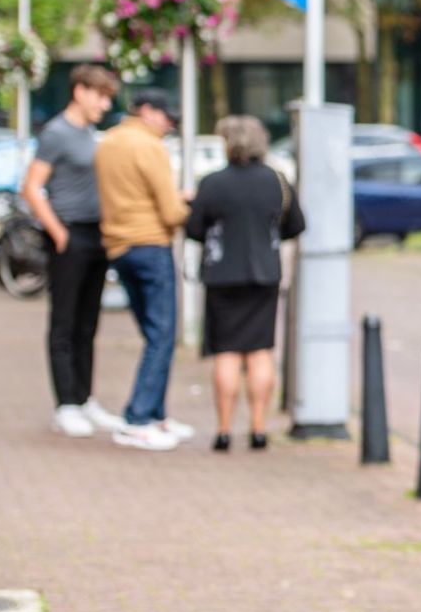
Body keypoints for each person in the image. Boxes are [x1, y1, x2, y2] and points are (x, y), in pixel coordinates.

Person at [184, 115, 304, 452]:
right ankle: (259, 429)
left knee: (227, 353)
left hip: (222, 276)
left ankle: (223, 431)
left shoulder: (212, 183)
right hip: (264, 274)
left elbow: (193, 230)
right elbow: (296, 224)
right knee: (260, 352)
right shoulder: (276, 181)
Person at [20, 64, 123, 438]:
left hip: (97, 236)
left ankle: (84, 398)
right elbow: (31, 187)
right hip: (71, 235)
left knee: (88, 322)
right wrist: (59, 233)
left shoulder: (90, 133)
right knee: (64, 321)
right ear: (80, 91)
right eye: (101, 95)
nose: (105, 103)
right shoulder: (57, 133)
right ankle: (65, 404)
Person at [94, 88, 194, 452]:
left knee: (154, 333)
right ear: (148, 111)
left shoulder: (108, 141)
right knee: (163, 335)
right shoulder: (150, 147)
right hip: (151, 244)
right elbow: (169, 211)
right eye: (167, 117)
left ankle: (155, 413)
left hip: (118, 246)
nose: (169, 125)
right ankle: (138, 418)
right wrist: (189, 208)